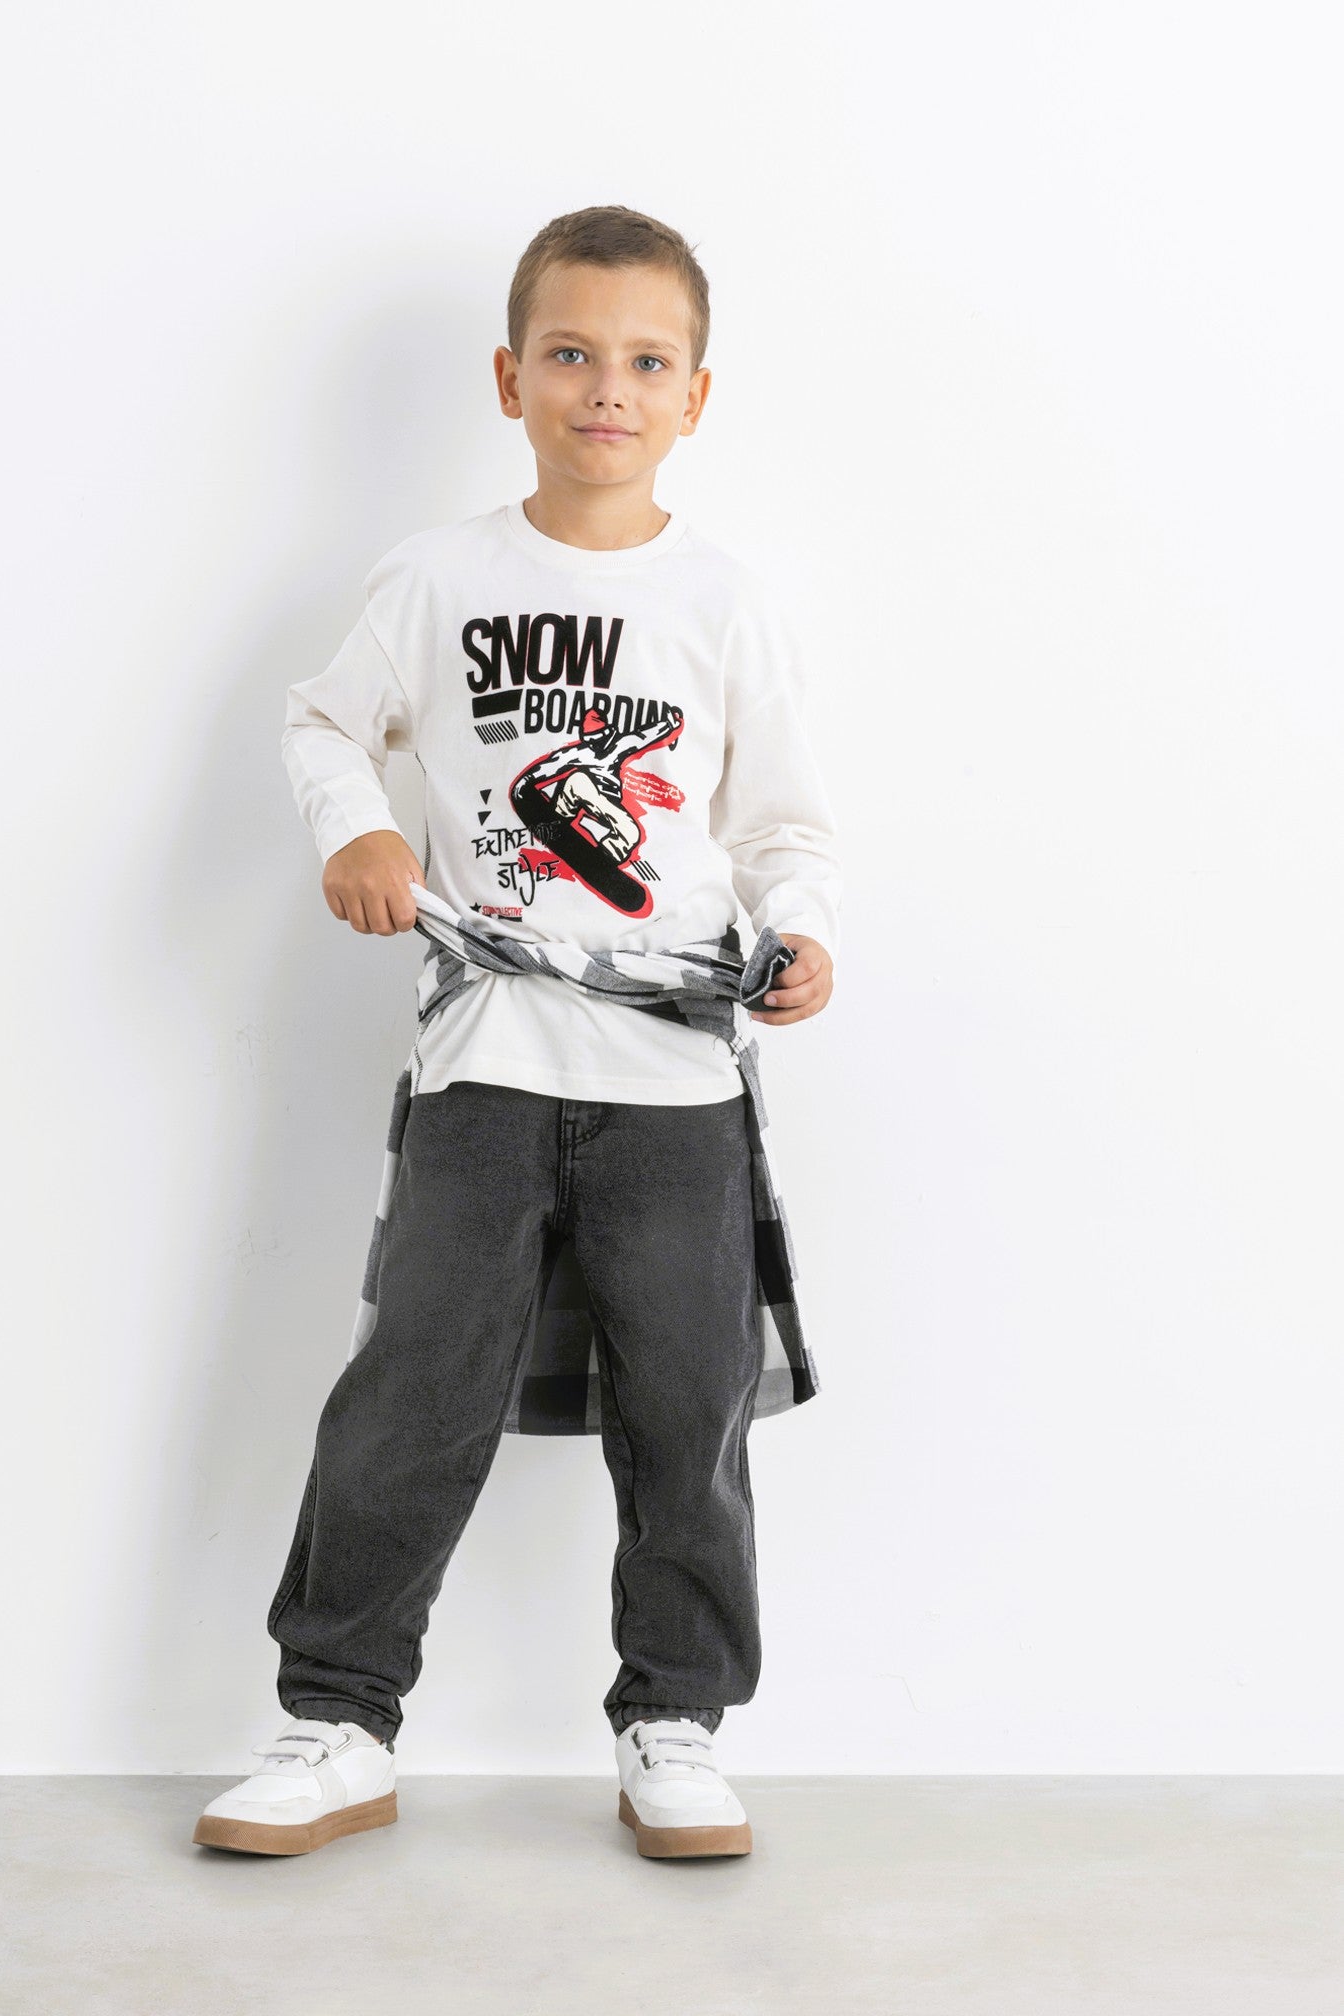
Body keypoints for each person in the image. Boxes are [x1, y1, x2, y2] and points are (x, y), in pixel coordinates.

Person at [194, 204, 843, 1862]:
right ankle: (339, 1722)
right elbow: (323, 722)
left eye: (645, 361)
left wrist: (806, 938)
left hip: (677, 1081)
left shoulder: (723, 601)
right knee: (410, 1395)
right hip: (483, 1066)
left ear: (694, 396)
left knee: (687, 1409)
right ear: (510, 379)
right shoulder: (438, 579)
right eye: (570, 354)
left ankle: (675, 1721)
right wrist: (359, 829)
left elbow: (783, 827)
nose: (606, 388)